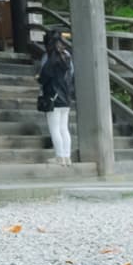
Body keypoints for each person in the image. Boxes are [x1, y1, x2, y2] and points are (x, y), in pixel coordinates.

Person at [37, 33, 75, 166]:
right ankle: (67, 157)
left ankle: (59, 157)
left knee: (55, 129)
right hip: (66, 97)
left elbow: (43, 76)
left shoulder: (49, 57)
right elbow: (71, 74)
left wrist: (39, 79)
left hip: (53, 97)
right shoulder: (67, 56)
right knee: (64, 128)